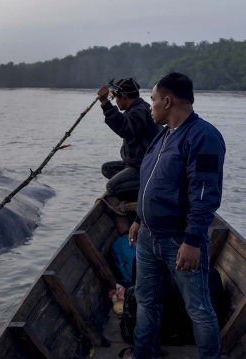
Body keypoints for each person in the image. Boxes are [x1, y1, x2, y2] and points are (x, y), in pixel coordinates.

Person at [127, 72, 225, 359]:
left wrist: (193, 241)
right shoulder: (163, 136)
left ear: (167, 101)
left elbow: (205, 195)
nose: (150, 106)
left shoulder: (203, 137)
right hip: (148, 237)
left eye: (154, 100)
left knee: (198, 308)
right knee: (146, 301)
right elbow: (149, 182)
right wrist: (138, 220)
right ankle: (142, 354)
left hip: (179, 240)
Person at [97, 78, 162, 198]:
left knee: (112, 187)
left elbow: (124, 127)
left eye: (116, 98)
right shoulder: (138, 109)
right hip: (136, 164)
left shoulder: (141, 111)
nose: (116, 101)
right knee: (107, 168)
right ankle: (133, 187)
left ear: (124, 97)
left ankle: (153, 187)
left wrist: (105, 103)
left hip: (145, 167)